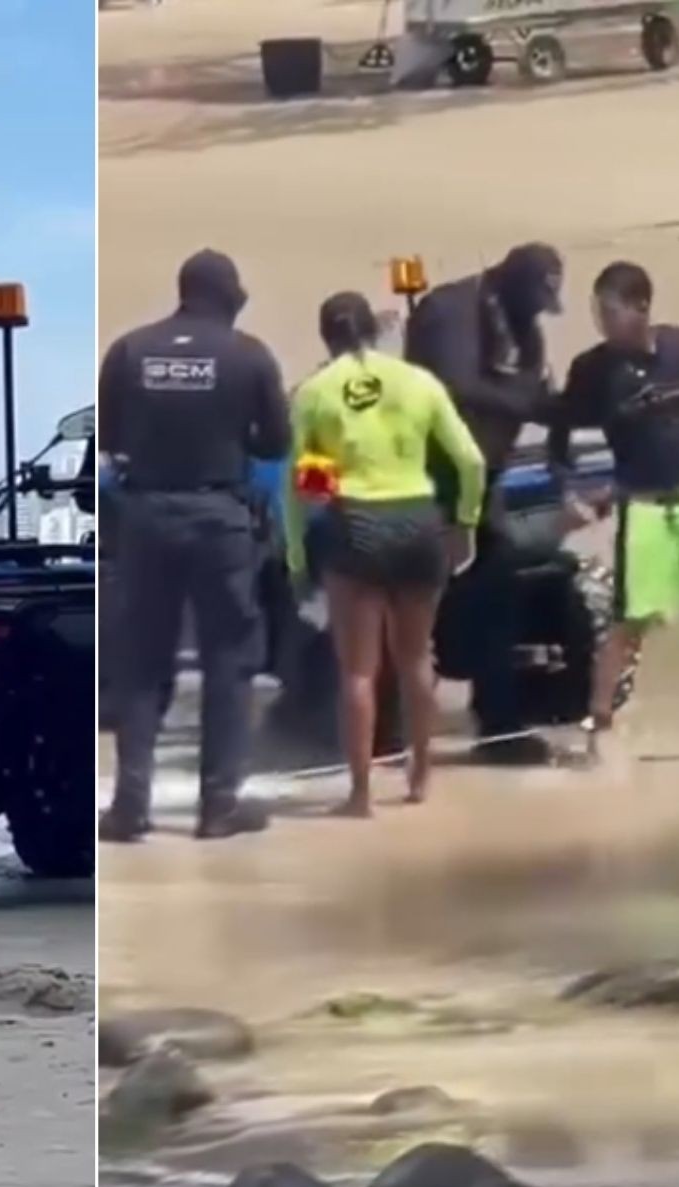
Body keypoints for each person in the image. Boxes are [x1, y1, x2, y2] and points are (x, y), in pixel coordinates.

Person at [97, 249, 291, 843]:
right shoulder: (248, 354)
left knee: (140, 662)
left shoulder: (129, 350)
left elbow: (106, 437)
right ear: (228, 296)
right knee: (228, 661)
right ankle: (218, 805)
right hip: (219, 517)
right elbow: (277, 441)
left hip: (147, 515)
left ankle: (130, 805)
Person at [286, 294, 484, 814]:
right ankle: (420, 778)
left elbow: (302, 489)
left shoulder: (314, 392)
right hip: (417, 520)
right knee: (417, 658)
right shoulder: (418, 382)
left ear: (325, 336)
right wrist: (465, 520)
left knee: (358, 671)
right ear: (374, 330)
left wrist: (296, 558)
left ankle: (360, 794)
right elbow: (470, 460)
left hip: (356, 524)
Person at [548, 263, 679, 761]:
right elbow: (560, 430)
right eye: (597, 311)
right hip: (641, 505)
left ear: (640, 309)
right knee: (629, 622)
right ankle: (600, 730)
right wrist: (568, 487)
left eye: (608, 312)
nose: (601, 322)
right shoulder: (592, 371)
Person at [403, 243, 564, 765]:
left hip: (484, 477)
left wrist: (556, 408)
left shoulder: (522, 325)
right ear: (509, 281)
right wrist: (529, 401)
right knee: (413, 601)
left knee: (501, 591)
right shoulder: (450, 311)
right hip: (424, 478)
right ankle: (391, 728)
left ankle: (498, 722)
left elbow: (530, 386)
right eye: (534, 301)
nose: (537, 314)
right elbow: (453, 386)